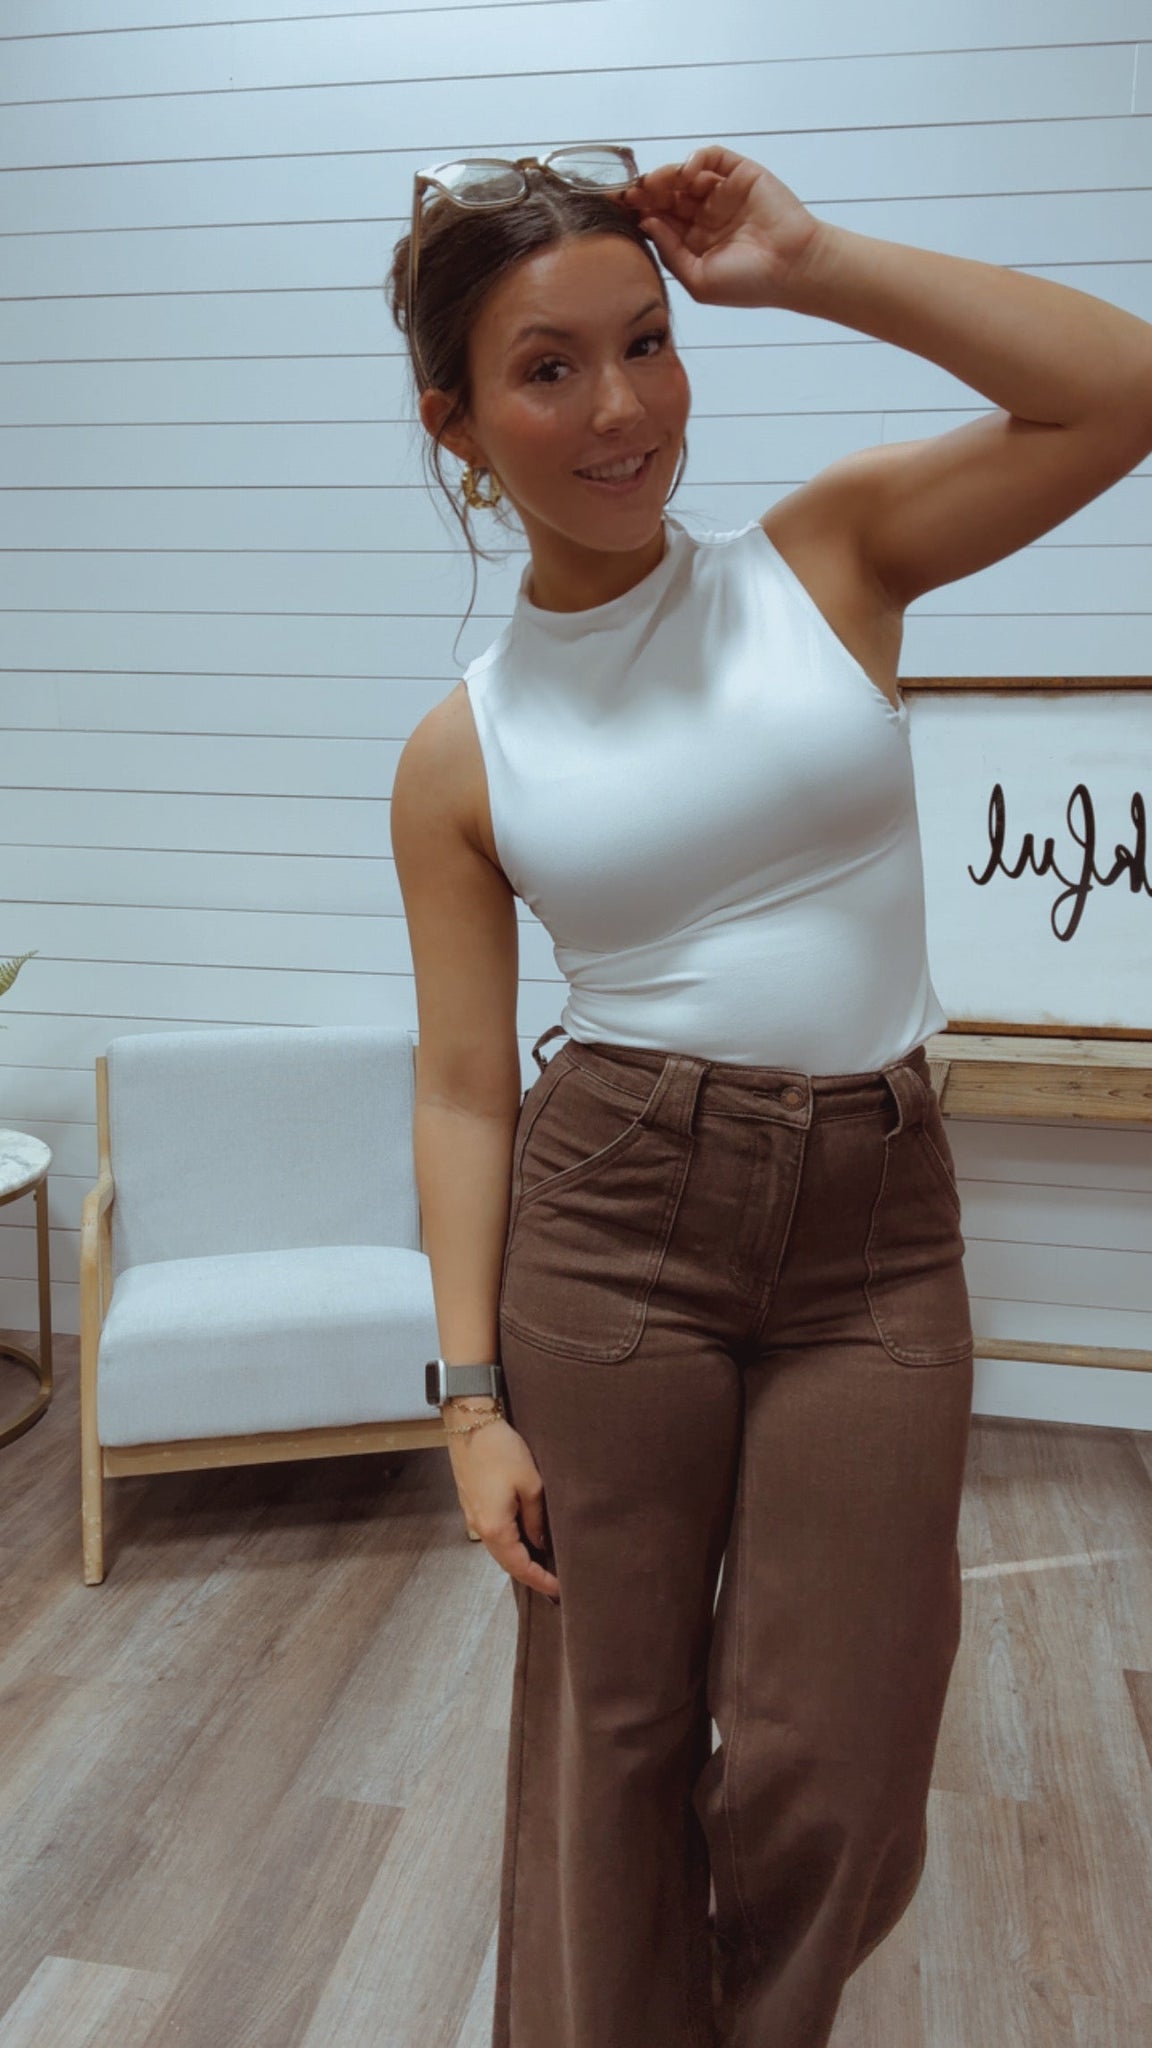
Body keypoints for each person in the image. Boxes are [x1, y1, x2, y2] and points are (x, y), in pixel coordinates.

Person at [386, 143, 1152, 2048]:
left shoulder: (829, 562)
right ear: (456, 424)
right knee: (614, 1735)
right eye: (549, 368)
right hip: (613, 1227)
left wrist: (807, 261)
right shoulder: (461, 755)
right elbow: (466, 1087)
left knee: (848, 1759)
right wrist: (467, 1400)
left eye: (644, 344)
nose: (622, 408)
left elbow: (1121, 390)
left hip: (873, 1229)